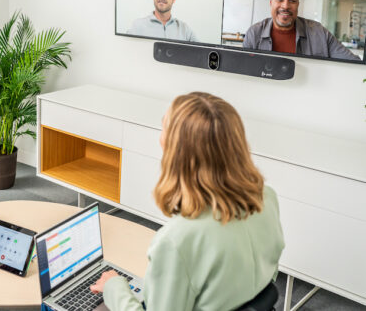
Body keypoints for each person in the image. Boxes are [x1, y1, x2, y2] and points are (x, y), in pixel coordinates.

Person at [89, 92, 285, 310]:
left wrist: (114, 286)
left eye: (164, 129)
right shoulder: (266, 197)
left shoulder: (177, 240)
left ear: (176, 151)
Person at [243, 0, 360, 60]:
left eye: (292, 1)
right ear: (271, 3)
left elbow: (353, 63)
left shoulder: (319, 32)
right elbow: (244, 68)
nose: (285, 6)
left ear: (298, 5)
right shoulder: (254, 33)